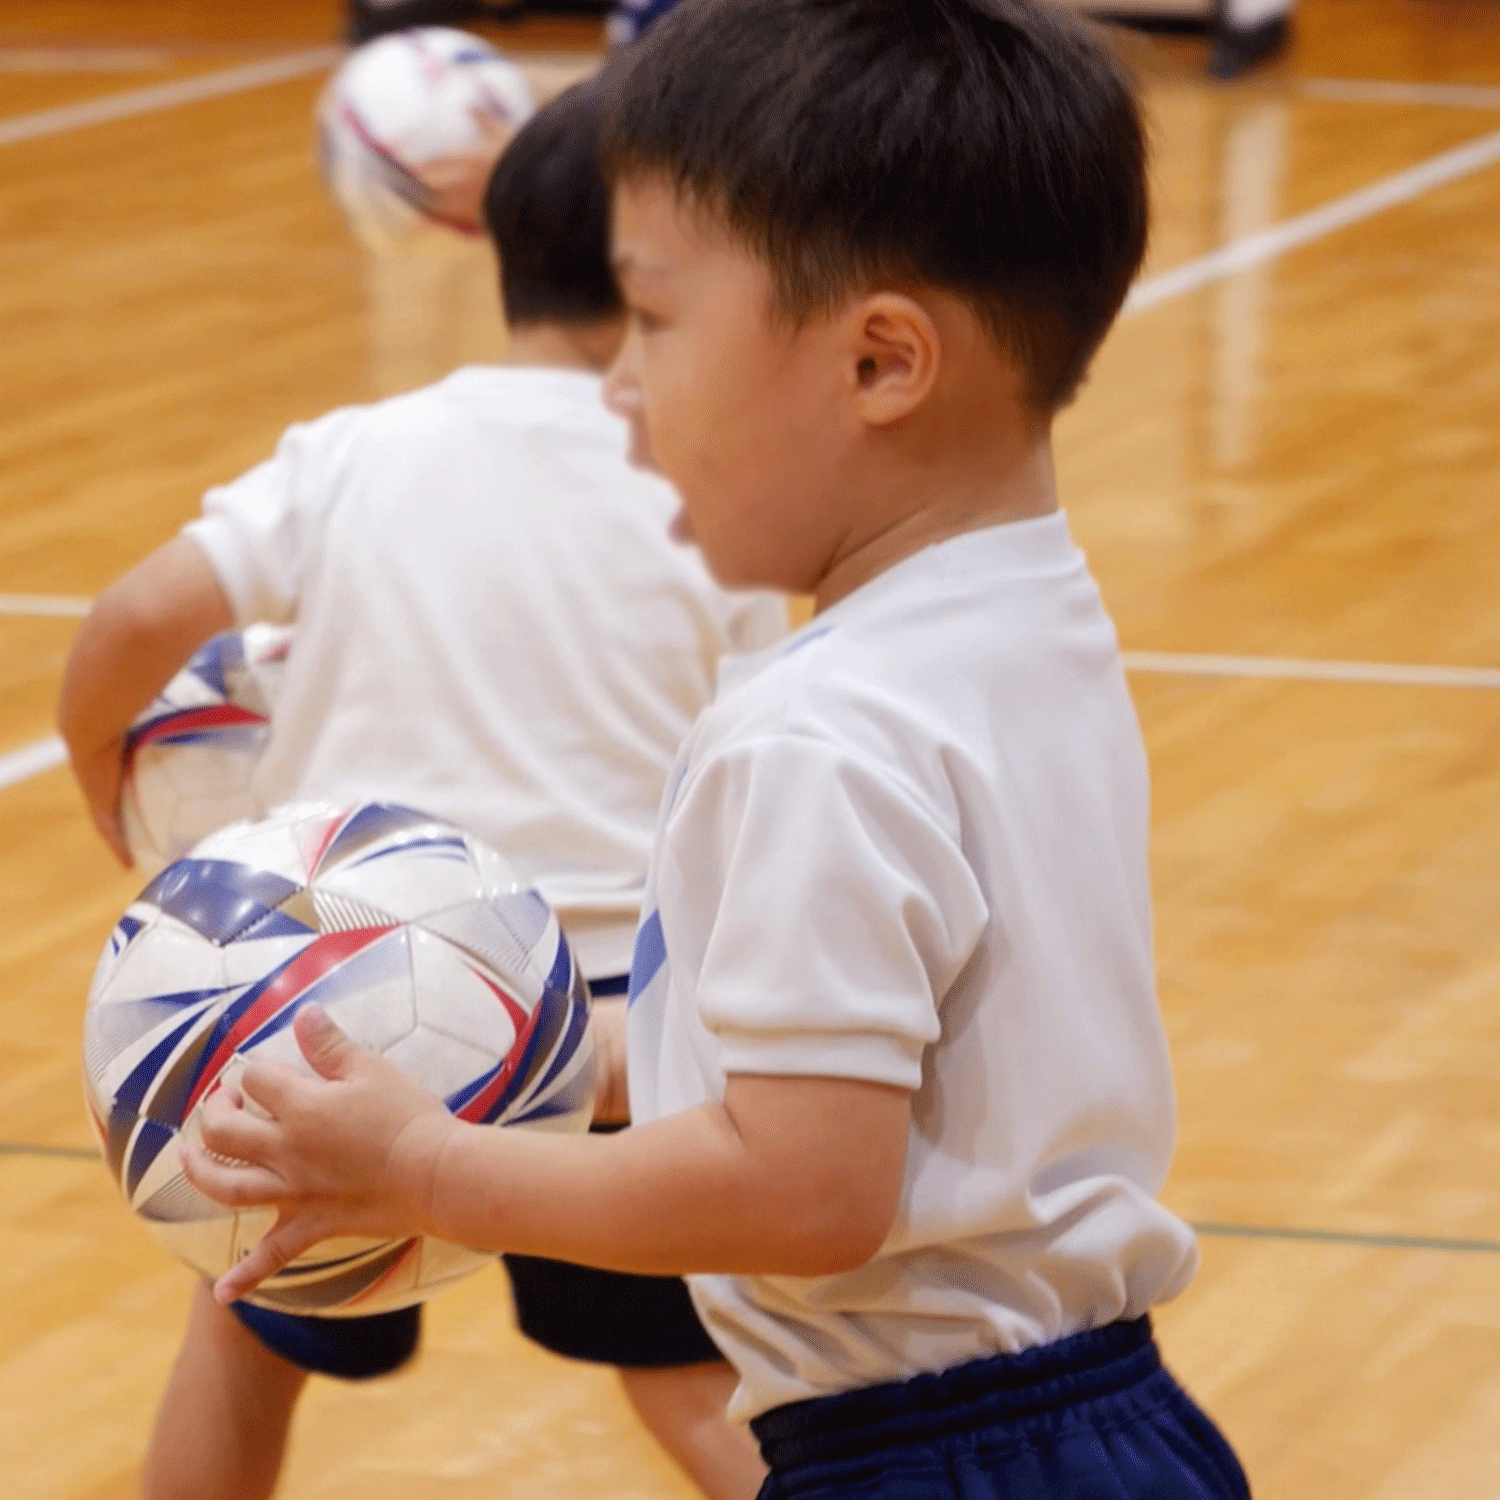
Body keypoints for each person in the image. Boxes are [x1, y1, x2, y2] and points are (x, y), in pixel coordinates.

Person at [179, 2, 1254, 1496]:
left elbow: (802, 1186)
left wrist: (426, 1168)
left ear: (883, 362)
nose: (619, 386)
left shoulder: (816, 729)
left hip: (933, 1461)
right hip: (1098, 1419)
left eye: (660, 324)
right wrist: (524, 1042)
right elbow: (862, 1043)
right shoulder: (1030, 618)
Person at [57, 80, 780, 1500]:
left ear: (496, 243)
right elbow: (750, 782)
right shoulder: (716, 493)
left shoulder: (355, 452)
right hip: (608, 1047)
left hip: (327, 1036)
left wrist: (102, 772)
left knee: (240, 1338)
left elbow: (135, 616)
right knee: (690, 1385)